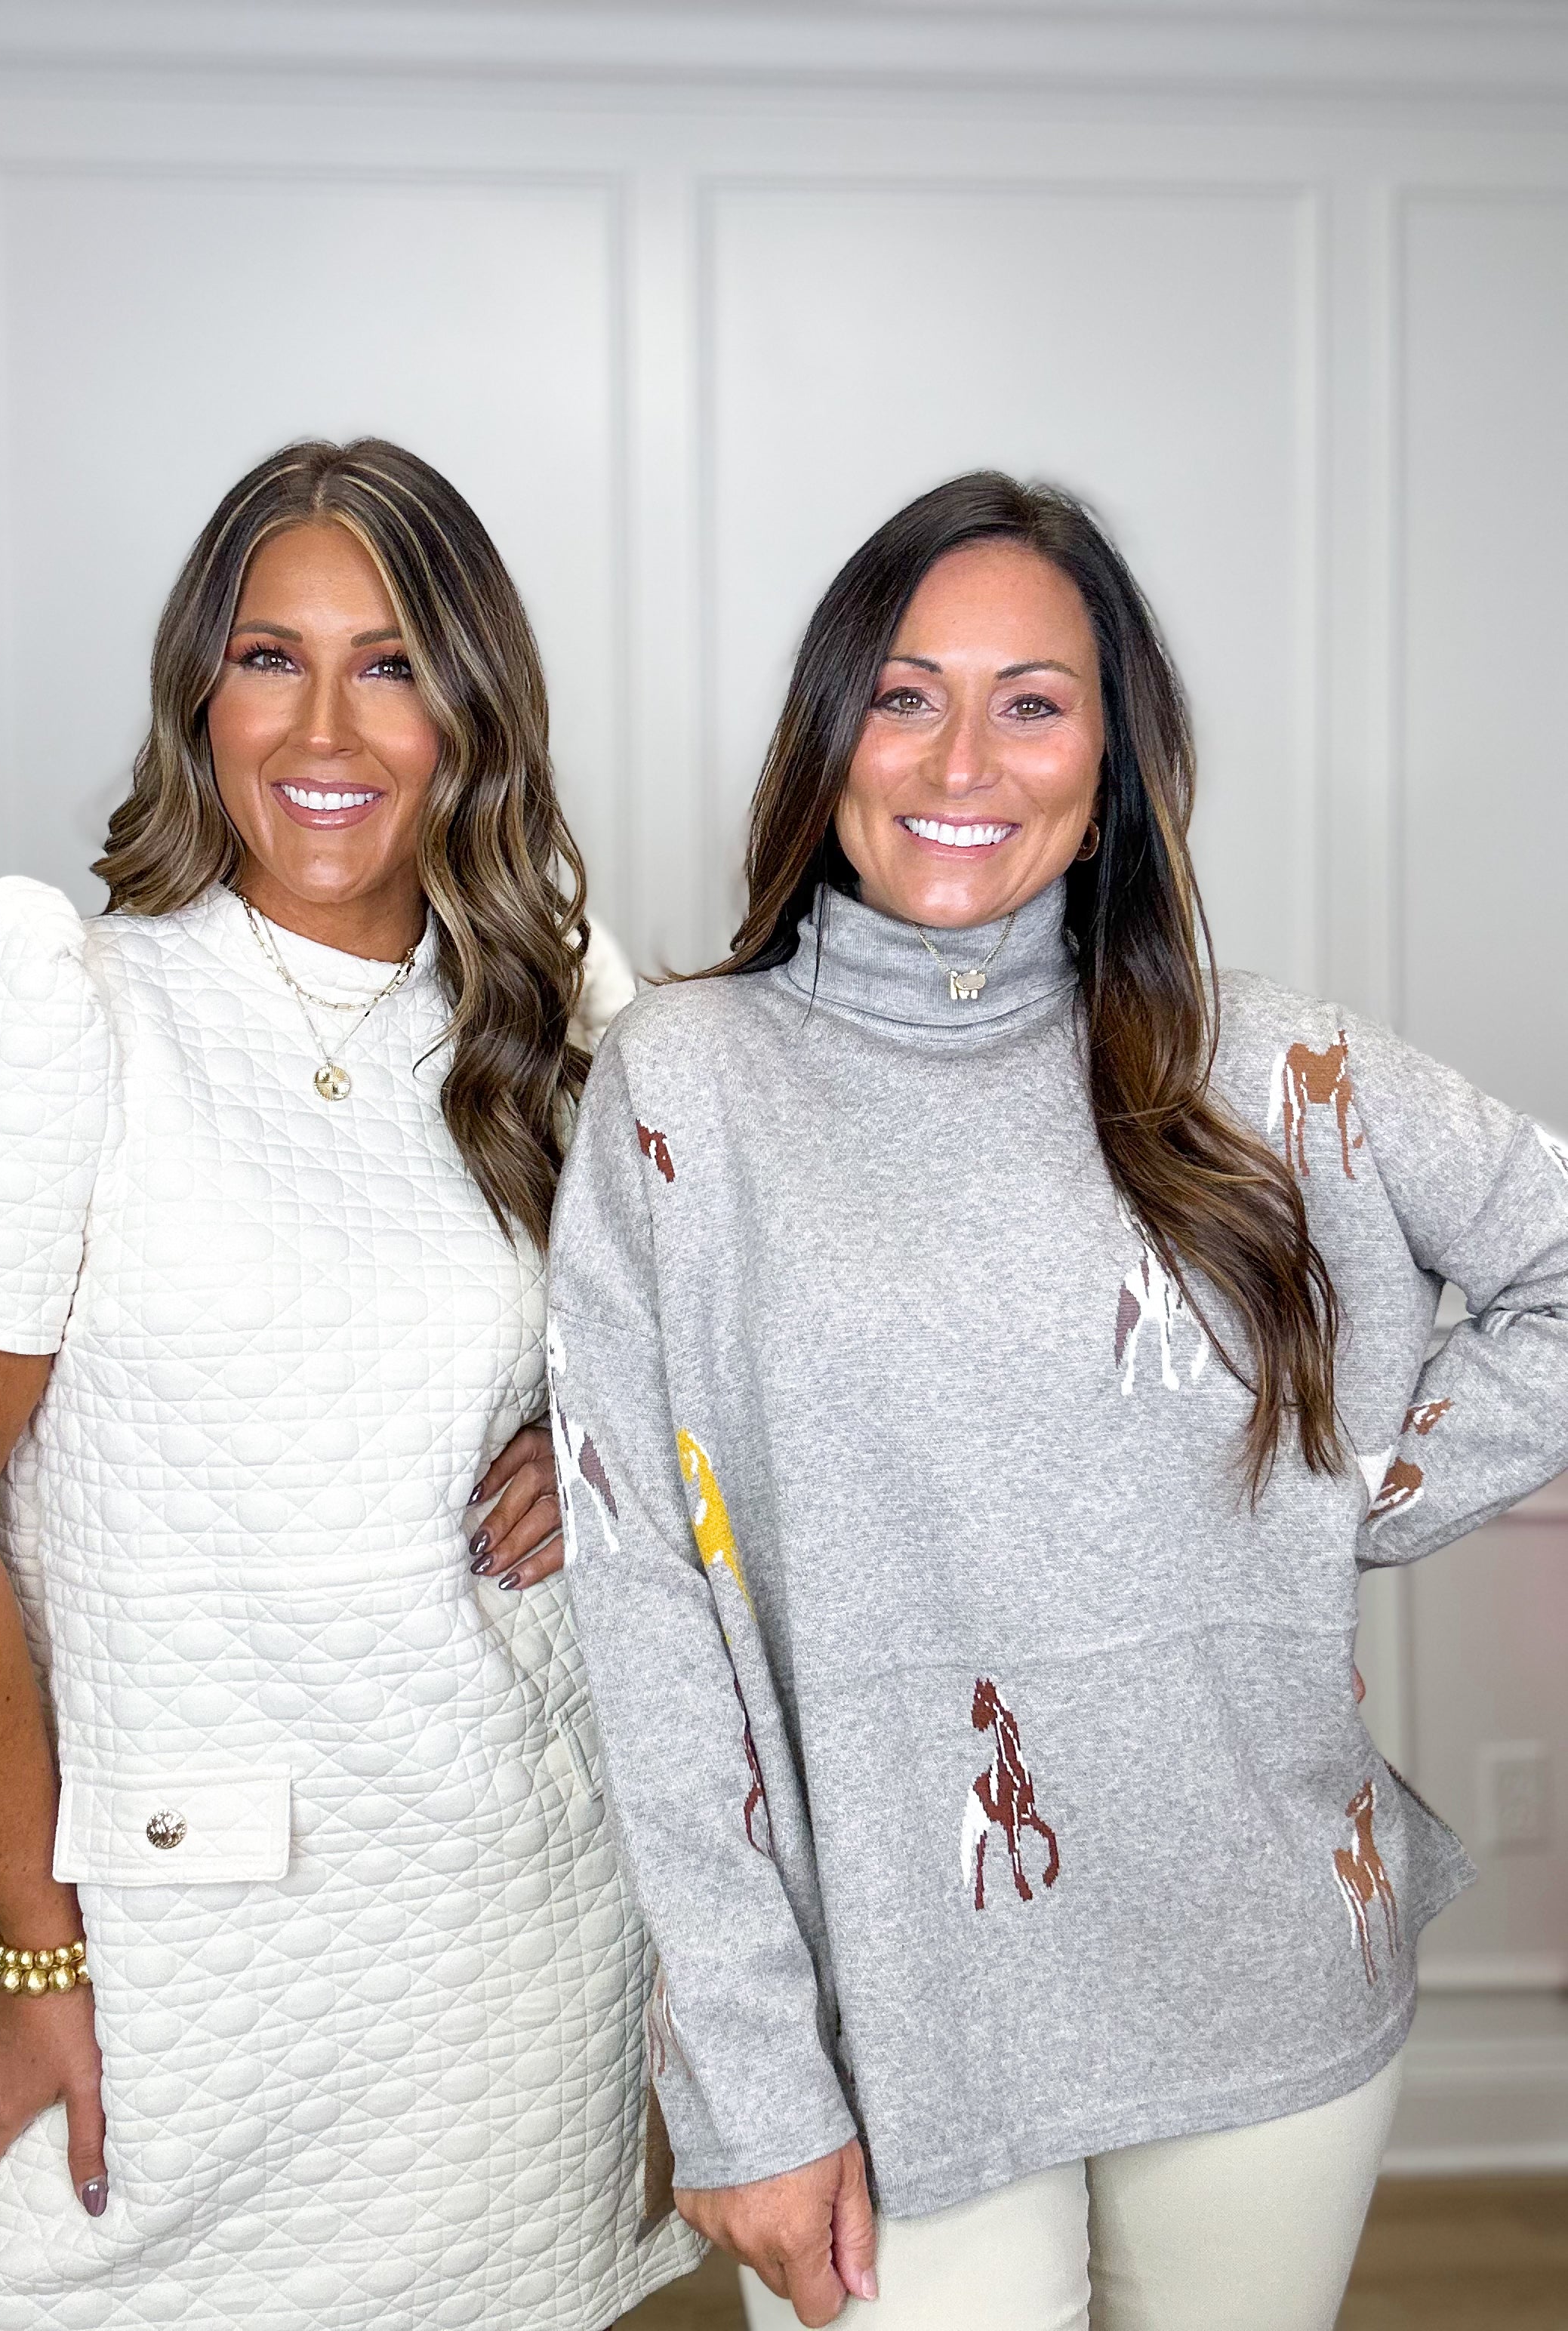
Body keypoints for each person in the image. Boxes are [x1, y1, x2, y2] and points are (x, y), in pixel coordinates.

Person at [544, 472, 1568, 2329]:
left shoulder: (1266, 1060)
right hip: (891, 2004)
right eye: (906, 694)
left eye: (1032, 701)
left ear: (1112, 759)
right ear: (831, 733)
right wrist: (749, 2074)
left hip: (1262, 1957)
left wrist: (1338, 1494)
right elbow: (648, 1605)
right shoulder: (686, 1087)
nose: (965, 759)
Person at [0, 438, 700, 2329]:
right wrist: (37, 1954)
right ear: (198, 693)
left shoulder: (558, 1015)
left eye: (391, 665)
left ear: (473, 710)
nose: (326, 728)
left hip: (509, 1924)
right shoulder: (68, 1001)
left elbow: (750, 1375)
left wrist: (616, 1440)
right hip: (182, 1951)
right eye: (268, 658)